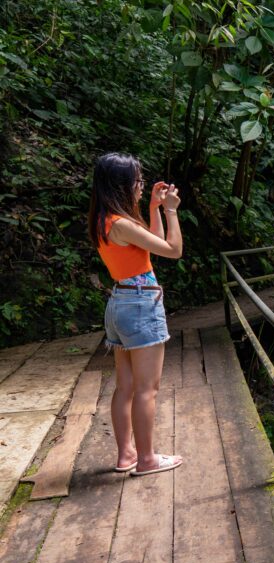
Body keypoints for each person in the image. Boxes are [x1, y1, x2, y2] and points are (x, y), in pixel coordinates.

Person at [88, 152, 184, 476]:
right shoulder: (123, 225)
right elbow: (172, 249)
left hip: (120, 303)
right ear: (121, 185)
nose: (142, 185)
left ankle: (127, 455)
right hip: (141, 305)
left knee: (125, 387)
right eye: (138, 181)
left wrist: (155, 208)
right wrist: (171, 212)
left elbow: (151, 243)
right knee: (147, 389)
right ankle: (147, 460)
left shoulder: (106, 221)